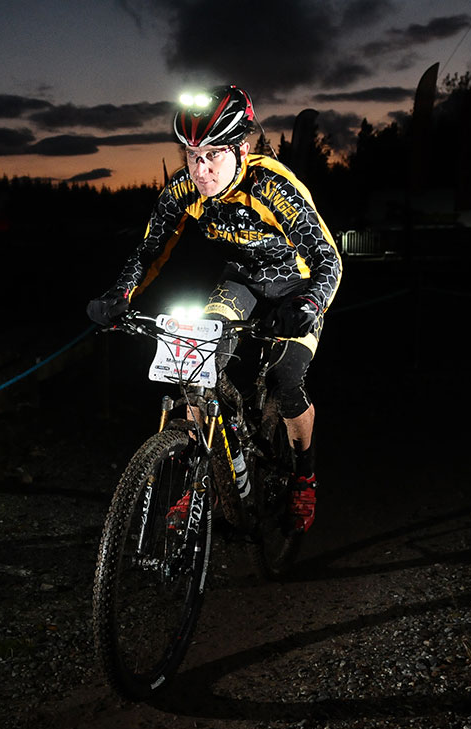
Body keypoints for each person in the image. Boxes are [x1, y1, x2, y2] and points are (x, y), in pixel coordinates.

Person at [86, 84, 342, 534]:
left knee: (285, 380)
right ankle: (202, 480)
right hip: (241, 280)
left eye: (212, 156)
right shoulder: (184, 189)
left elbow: (328, 259)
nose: (201, 170)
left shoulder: (272, 186)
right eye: (192, 156)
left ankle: (304, 476)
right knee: (194, 372)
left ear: (241, 149)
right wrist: (120, 294)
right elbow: (150, 248)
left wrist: (310, 302)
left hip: (296, 285)